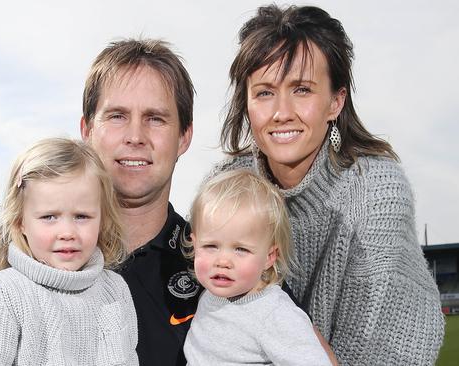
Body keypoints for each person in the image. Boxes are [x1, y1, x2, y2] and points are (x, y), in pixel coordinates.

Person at [213, 4, 445, 364]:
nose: (281, 111)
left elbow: (378, 354)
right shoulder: (226, 185)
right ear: (246, 102)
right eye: (263, 92)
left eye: (302, 89)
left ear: (336, 102)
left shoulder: (375, 193)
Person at [0, 138, 138, 365]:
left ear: (102, 220)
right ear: (19, 223)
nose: (67, 232)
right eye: (49, 217)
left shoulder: (115, 289)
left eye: (82, 216)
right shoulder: (4, 293)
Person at [80, 39, 200, 365]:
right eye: (117, 116)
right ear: (87, 129)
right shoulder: (33, 263)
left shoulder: (224, 270)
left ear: (184, 137)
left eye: (155, 118)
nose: (135, 135)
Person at [183, 169, 332, 365]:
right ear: (194, 245)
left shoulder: (274, 313)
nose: (222, 261)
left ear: (269, 257)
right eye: (211, 246)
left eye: (240, 249)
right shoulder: (210, 294)